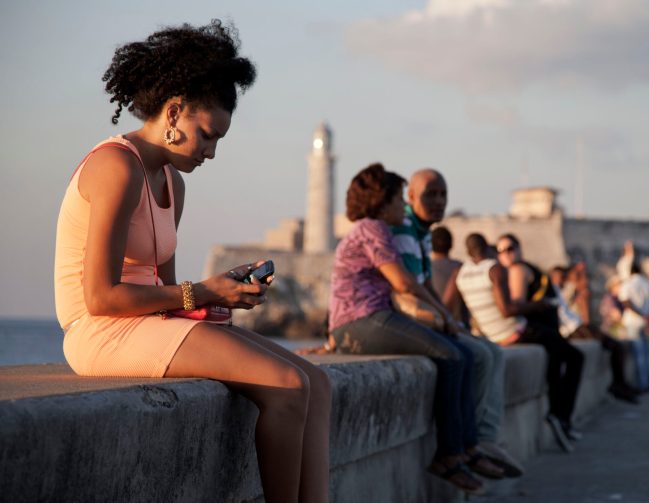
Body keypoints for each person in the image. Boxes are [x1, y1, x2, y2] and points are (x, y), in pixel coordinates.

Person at [53, 21, 331, 503]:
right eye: (207, 135)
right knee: (287, 385)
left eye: (218, 140)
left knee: (318, 382)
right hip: (98, 329)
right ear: (174, 111)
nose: (212, 152)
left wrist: (220, 301)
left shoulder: (171, 184)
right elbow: (99, 296)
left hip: (143, 323)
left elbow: (167, 291)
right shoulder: (115, 167)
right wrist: (203, 292)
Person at [328, 164, 502, 494]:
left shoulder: (377, 228)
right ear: (382, 202)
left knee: (459, 353)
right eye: (397, 200)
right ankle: (450, 456)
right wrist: (443, 315)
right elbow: (404, 282)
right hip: (359, 320)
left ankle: (464, 449)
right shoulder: (373, 229)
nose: (402, 209)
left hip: (367, 318)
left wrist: (444, 316)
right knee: (452, 355)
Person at [390, 169, 522, 477]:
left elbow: (427, 287)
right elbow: (407, 290)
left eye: (442, 195)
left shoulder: (420, 232)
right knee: (472, 355)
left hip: (424, 316)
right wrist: (444, 321)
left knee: (490, 352)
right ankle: (469, 445)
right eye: (430, 195)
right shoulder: (404, 230)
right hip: (406, 318)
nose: (439, 202)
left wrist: (448, 318)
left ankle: (481, 441)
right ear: (410, 198)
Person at [494, 233, 585, 452]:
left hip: (545, 330)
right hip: (537, 331)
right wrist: (542, 305)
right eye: (502, 251)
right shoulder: (517, 270)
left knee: (556, 368)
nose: (507, 254)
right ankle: (561, 415)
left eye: (511, 248)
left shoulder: (519, 268)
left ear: (519, 248)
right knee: (575, 358)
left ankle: (560, 416)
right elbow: (517, 304)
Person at [549, 267, 640, 404]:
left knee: (616, 346)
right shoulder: (554, 291)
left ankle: (620, 383)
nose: (564, 281)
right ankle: (618, 385)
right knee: (615, 346)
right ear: (553, 278)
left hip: (578, 326)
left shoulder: (561, 292)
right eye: (561, 278)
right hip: (574, 329)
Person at [618, 262, 649, 392]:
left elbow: (626, 302)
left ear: (630, 272)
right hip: (647, 323)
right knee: (647, 354)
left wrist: (640, 314)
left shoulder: (628, 284)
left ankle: (643, 384)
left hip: (633, 323)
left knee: (639, 354)